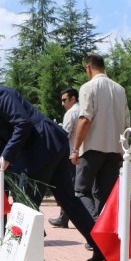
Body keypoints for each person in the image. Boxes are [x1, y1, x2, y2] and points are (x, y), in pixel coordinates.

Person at [0, 78, 105, 261]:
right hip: (47, 148)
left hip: (44, 146)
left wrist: (6, 157)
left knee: (24, 203)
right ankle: (100, 246)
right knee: (67, 199)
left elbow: (22, 123)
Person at [71, 54, 131, 220]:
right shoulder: (120, 89)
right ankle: (101, 238)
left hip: (92, 148)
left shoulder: (88, 87)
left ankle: (94, 224)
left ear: (88, 68)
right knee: (104, 195)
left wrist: (75, 148)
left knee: (81, 191)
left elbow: (85, 119)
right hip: (114, 150)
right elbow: (127, 125)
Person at [49, 88, 80, 229]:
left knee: (68, 187)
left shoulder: (71, 112)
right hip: (83, 153)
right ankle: (64, 218)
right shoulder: (84, 110)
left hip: (71, 154)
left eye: (64, 100)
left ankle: (64, 218)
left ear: (73, 99)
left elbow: (64, 134)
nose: (62, 103)